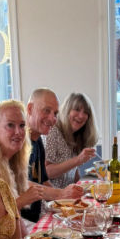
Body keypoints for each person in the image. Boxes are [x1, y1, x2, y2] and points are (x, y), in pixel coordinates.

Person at [24, 88, 83, 222]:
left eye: (55, 113)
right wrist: (61, 193)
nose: (52, 118)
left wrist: (68, 201)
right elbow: (22, 185)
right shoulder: (19, 141)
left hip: (38, 216)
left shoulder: (37, 140)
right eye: (46, 110)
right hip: (22, 220)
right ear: (30, 108)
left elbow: (44, 181)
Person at [44, 92, 99, 188]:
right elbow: (47, 172)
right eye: (77, 110)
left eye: (86, 112)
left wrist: (81, 189)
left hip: (68, 197)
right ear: (67, 110)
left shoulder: (77, 135)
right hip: (53, 199)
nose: (81, 116)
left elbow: (73, 170)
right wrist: (78, 160)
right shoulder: (53, 131)